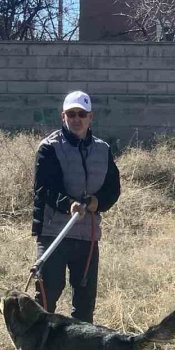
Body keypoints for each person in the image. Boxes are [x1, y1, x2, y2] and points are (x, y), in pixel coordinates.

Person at [31, 91, 121, 323]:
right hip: (54, 234)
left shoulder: (103, 150)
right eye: (71, 114)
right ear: (63, 116)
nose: (76, 119)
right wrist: (69, 205)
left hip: (87, 237)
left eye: (82, 114)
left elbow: (113, 188)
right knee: (46, 297)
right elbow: (44, 189)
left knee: (84, 304)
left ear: (91, 117)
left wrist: (97, 202)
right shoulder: (48, 148)